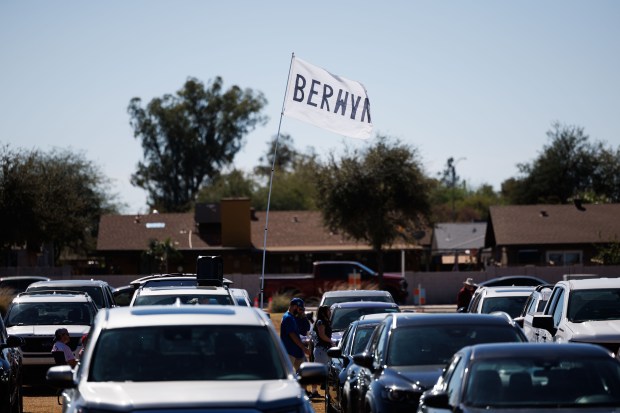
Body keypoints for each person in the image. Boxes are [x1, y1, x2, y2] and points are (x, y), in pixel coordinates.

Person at [309, 305, 334, 398]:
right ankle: (314, 391)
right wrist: (331, 341)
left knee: (327, 371)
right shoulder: (320, 322)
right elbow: (322, 335)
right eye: (328, 311)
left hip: (325, 349)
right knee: (317, 372)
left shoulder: (326, 321)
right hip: (321, 350)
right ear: (323, 312)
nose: (330, 312)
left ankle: (325, 391)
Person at [280, 297, 311, 372]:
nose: (301, 311)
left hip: (297, 351)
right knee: (287, 374)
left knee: (305, 374)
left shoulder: (294, 317)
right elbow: (292, 335)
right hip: (289, 351)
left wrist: (303, 316)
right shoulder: (288, 318)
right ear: (294, 307)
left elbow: (305, 330)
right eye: (300, 308)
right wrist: (304, 348)